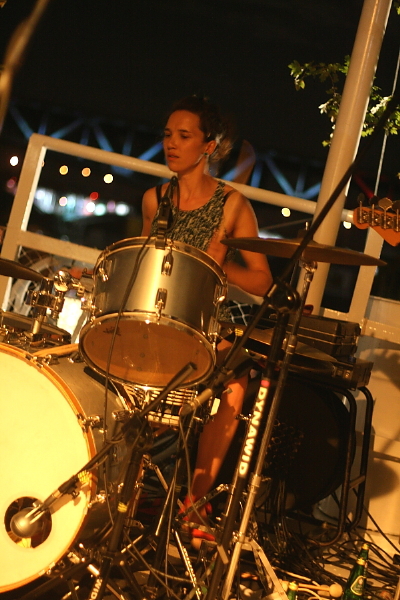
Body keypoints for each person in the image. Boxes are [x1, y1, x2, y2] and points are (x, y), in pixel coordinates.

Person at [141, 95, 273, 543]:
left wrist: (220, 264)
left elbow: (262, 281)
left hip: (203, 323)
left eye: (184, 136)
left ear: (209, 146)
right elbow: (143, 261)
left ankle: (195, 503)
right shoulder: (155, 199)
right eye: (167, 135)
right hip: (156, 319)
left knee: (236, 380)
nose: (171, 144)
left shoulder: (232, 204)